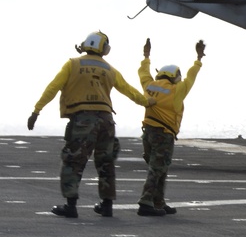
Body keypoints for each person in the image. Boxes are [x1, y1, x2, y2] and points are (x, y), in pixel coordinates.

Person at [28, 31, 153, 218]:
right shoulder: (110, 69)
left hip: (83, 120)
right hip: (106, 121)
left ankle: (70, 206)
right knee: (106, 163)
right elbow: (129, 91)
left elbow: (53, 88)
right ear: (104, 49)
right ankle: (107, 205)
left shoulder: (72, 64)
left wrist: (36, 111)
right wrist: (148, 102)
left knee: (74, 161)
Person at [137, 38, 206, 217]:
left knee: (160, 167)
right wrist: (198, 58)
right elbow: (191, 76)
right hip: (163, 134)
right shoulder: (177, 90)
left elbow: (143, 72)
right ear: (174, 77)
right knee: (157, 168)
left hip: (148, 134)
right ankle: (145, 202)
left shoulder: (149, 85)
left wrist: (146, 56)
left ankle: (158, 202)